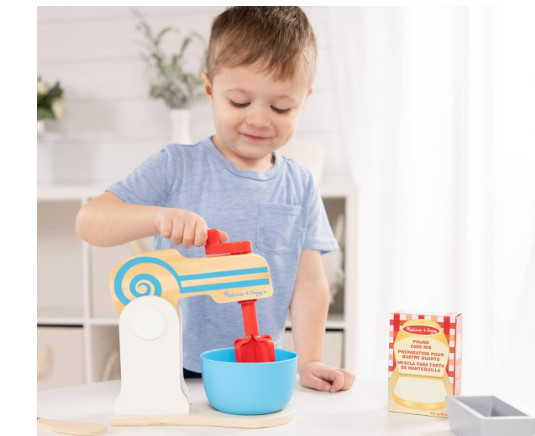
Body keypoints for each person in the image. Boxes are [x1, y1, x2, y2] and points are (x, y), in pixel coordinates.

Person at [76, 6, 354, 392]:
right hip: (171, 369)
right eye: (239, 102)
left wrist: (310, 361)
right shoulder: (176, 166)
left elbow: (309, 283)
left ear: (303, 100)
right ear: (209, 90)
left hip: (256, 366)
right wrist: (158, 218)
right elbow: (90, 221)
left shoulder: (300, 184)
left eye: (281, 107)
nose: (259, 120)